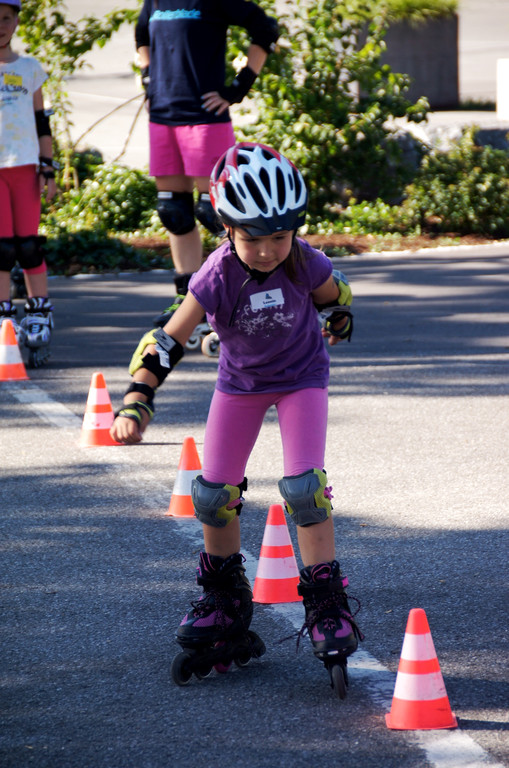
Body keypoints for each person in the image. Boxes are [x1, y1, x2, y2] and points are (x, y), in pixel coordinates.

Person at [110, 143, 363, 689]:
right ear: (225, 226)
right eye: (253, 237)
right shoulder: (215, 275)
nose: (269, 250)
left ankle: (326, 601)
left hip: (301, 380)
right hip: (240, 386)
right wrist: (138, 397)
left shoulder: (301, 258)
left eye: (279, 235)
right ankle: (223, 600)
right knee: (211, 495)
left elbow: (335, 293)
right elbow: (167, 339)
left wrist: (339, 318)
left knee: (304, 489)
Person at [134, 0, 279, 331]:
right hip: (162, 116)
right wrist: (147, 76)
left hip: (205, 118)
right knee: (174, 213)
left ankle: (247, 291)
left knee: (216, 212)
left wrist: (238, 87)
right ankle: (188, 300)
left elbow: (265, 28)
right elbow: (142, 33)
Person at [0, 0, 57, 367]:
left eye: (6, 19)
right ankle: (3, 315)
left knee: (29, 246)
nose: (0, 26)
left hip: (25, 167)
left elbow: (41, 123)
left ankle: (38, 311)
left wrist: (48, 169)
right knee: (2, 248)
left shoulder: (30, 68)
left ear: (17, 21)